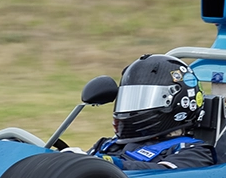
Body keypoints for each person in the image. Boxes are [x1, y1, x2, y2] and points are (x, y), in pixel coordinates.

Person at [89, 54, 217, 171]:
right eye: (130, 99)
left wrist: (111, 164)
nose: (132, 107)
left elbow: (163, 177)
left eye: (144, 99)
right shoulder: (108, 144)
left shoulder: (194, 151)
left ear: (176, 102)